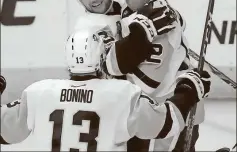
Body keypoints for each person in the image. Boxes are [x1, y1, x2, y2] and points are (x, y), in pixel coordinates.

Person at [0, 28, 211, 151]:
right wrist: (189, 88)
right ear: (102, 58)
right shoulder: (121, 94)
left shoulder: (38, 93)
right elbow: (167, 124)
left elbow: (5, 134)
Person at [103, 0, 204, 151]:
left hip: (175, 109)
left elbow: (149, 84)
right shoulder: (134, 10)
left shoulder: (163, 24)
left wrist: (112, 57)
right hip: (152, 113)